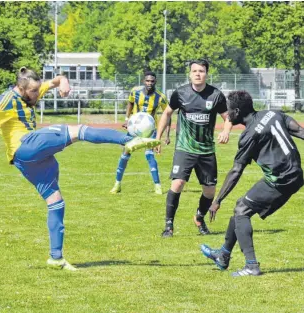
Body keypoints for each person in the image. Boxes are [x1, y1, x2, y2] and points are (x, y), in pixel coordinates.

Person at [0, 67, 161, 271]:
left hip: (27, 161)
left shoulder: (31, 90)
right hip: (26, 145)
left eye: (38, 90)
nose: (37, 94)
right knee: (78, 130)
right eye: (33, 92)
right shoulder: (6, 99)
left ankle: (56, 258)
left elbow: (54, 82)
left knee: (56, 203)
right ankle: (129, 139)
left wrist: (63, 81)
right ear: (21, 88)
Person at [201, 90, 304, 277]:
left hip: (280, 180)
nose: (226, 114)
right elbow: (299, 131)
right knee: (242, 207)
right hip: (295, 174)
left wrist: (217, 200)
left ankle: (251, 266)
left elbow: (236, 171)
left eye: (228, 111)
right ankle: (223, 255)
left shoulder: (248, 136)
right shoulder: (272, 113)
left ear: (237, 112)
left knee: (241, 210)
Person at [155, 59, 232, 237]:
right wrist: (157, 138)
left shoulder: (216, 95)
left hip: (206, 150)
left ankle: (199, 217)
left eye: (202, 71)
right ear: (190, 74)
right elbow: (167, 113)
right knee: (178, 183)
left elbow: (227, 117)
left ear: (206, 73)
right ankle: (169, 226)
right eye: (195, 71)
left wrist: (226, 131)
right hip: (185, 148)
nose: (198, 74)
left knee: (209, 190)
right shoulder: (180, 93)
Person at [110, 71, 171, 195]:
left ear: (155, 82)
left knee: (149, 155)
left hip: (150, 130)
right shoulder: (135, 91)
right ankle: (117, 184)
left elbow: (168, 115)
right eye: (147, 81)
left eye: (152, 81)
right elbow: (130, 103)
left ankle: (157, 186)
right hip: (134, 129)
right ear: (144, 81)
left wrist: (167, 135)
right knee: (125, 154)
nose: (149, 83)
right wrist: (127, 120)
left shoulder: (161, 97)